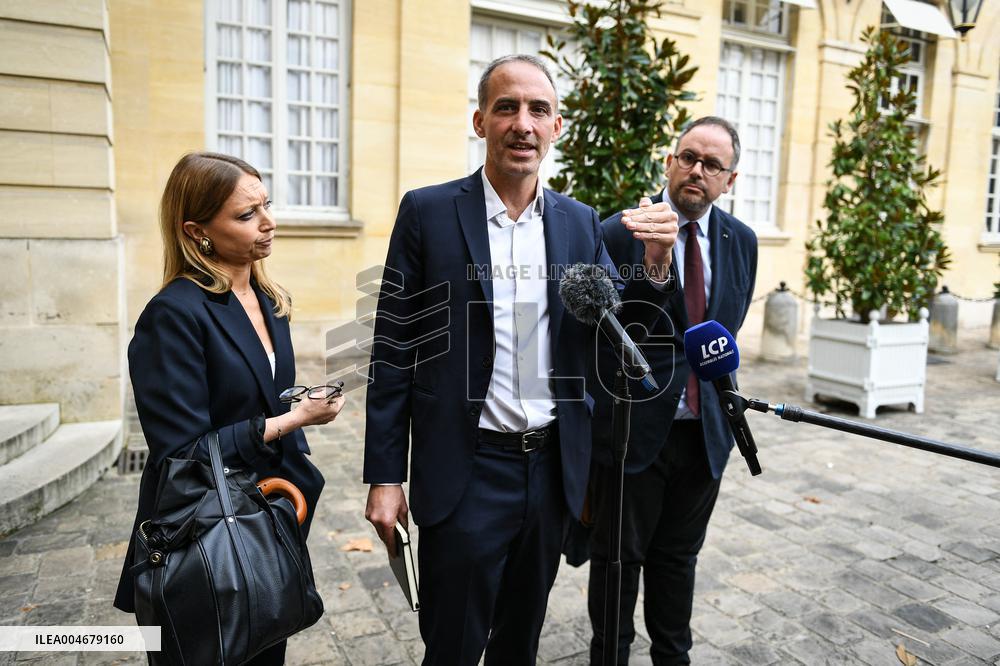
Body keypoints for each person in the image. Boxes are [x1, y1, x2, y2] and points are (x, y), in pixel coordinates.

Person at [363, 54, 679, 665]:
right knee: (453, 647)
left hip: (550, 471)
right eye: (506, 107)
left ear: (556, 126)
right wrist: (385, 474)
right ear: (480, 121)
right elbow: (393, 346)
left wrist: (657, 264)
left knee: (519, 644)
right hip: (466, 469)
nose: (522, 123)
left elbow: (616, 330)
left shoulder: (579, 223)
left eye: (539, 110)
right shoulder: (428, 212)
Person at [114, 152, 345, 665]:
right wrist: (291, 420)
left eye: (267, 205)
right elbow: (182, 453)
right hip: (202, 540)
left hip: (270, 520)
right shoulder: (172, 316)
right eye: (246, 215)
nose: (269, 222)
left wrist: (296, 412)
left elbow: (257, 396)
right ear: (197, 232)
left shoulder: (269, 297)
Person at [587, 116, 758, 664]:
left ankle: (673, 657)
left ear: (729, 180)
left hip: (705, 433)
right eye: (688, 157)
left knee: (679, 560)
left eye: (712, 164)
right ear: (669, 162)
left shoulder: (741, 241)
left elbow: (725, 330)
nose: (697, 171)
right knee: (617, 562)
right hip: (634, 433)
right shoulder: (620, 231)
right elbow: (607, 335)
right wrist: (654, 267)